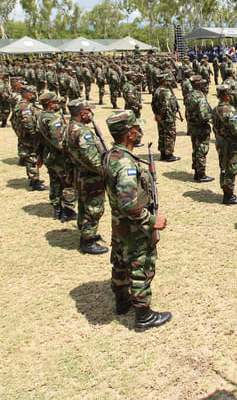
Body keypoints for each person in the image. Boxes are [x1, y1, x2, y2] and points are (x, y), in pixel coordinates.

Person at [102, 110, 171, 331]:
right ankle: (143, 315)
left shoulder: (112, 155)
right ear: (129, 134)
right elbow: (128, 203)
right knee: (140, 266)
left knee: (120, 262)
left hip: (119, 224)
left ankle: (122, 301)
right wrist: (151, 220)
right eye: (137, 129)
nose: (140, 131)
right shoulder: (126, 164)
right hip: (133, 227)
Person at [64, 99, 109, 255]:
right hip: (91, 177)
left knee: (84, 206)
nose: (91, 114)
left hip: (80, 174)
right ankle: (87, 241)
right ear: (83, 114)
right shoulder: (82, 132)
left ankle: (85, 231)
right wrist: (107, 171)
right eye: (89, 111)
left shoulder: (69, 128)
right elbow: (92, 158)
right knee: (94, 208)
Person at [37, 91, 77, 222]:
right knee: (68, 182)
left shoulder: (41, 116)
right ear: (50, 104)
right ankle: (68, 210)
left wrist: (39, 155)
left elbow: (39, 139)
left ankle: (57, 208)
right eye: (55, 102)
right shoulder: (54, 119)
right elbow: (59, 142)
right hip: (59, 157)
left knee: (55, 181)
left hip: (48, 155)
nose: (58, 104)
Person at [212, 84, 237, 204]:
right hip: (230, 144)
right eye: (229, 94)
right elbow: (236, 130)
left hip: (221, 142)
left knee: (224, 167)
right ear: (227, 96)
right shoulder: (228, 110)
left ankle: (227, 192)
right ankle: (229, 195)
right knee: (232, 168)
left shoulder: (216, 109)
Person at [10, 85, 48, 191]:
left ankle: (33, 178)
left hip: (25, 136)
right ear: (27, 94)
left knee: (31, 157)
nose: (34, 96)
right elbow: (28, 125)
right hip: (30, 138)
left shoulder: (21, 105)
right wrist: (36, 135)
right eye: (32, 94)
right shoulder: (25, 108)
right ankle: (35, 182)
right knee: (32, 157)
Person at [184, 76, 214, 182]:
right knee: (201, 150)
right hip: (201, 128)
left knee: (196, 149)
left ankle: (197, 171)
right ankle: (201, 174)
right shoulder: (200, 97)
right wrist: (212, 117)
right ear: (199, 85)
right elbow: (204, 116)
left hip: (192, 127)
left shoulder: (189, 95)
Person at [151, 73, 181, 162]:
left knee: (162, 135)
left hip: (160, 117)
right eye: (168, 81)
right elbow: (166, 106)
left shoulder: (156, 91)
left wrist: (157, 114)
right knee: (170, 135)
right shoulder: (166, 92)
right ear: (164, 82)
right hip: (168, 117)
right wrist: (161, 114)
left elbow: (153, 104)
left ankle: (163, 153)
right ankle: (169, 154)